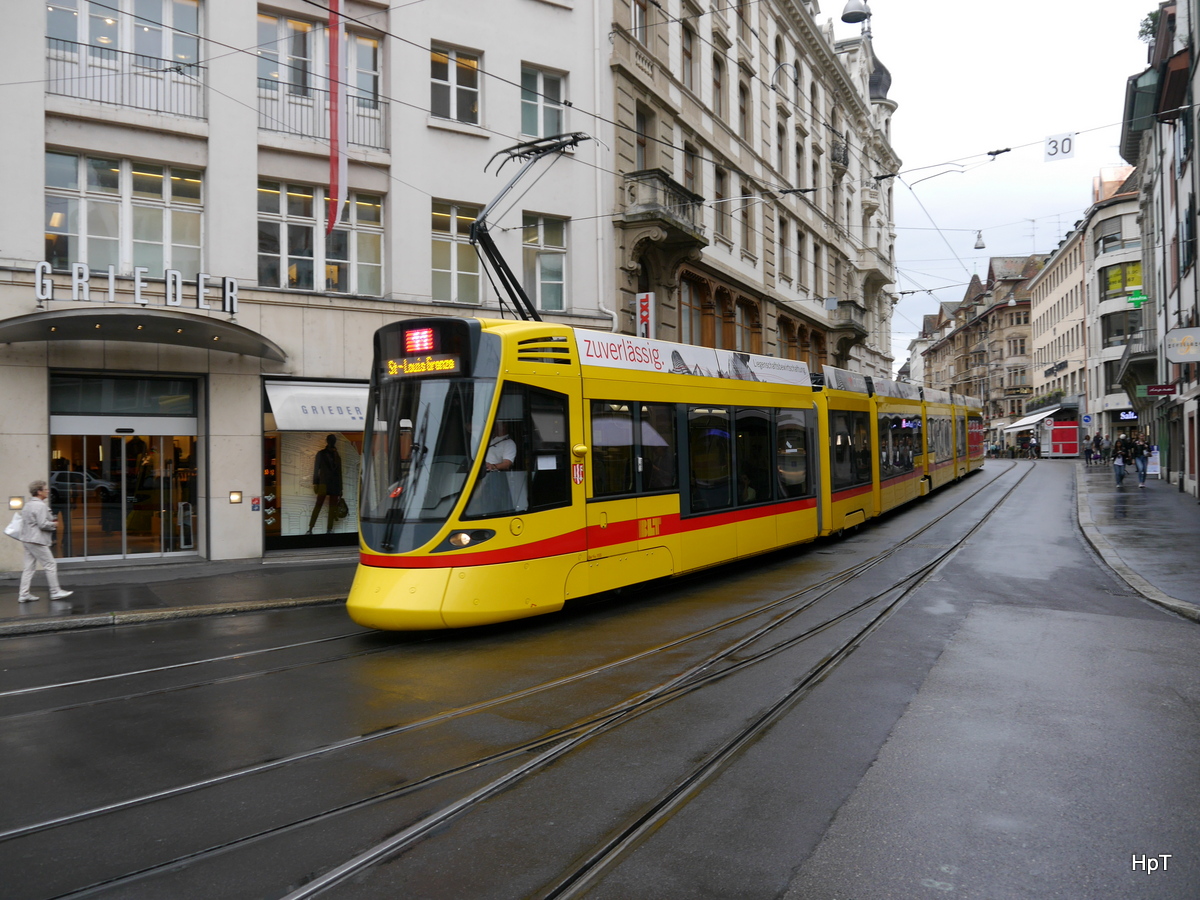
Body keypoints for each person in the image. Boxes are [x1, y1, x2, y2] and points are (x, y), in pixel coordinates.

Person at [17, 480, 73, 603]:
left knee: (29, 568)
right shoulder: (40, 506)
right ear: (39, 492)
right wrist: (54, 524)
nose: (47, 491)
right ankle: (55, 591)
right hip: (37, 540)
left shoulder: (28, 504)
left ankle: (23, 594)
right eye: (45, 489)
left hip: (27, 539)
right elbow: (42, 524)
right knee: (50, 564)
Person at [307, 434, 344, 534]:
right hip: (327, 484)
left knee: (327, 507)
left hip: (329, 483)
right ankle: (312, 528)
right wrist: (315, 483)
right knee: (321, 506)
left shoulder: (334, 455)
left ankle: (323, 529)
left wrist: (340, 488)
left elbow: (339, 473)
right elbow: (316, 470)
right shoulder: (326, 454)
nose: (333, 442)